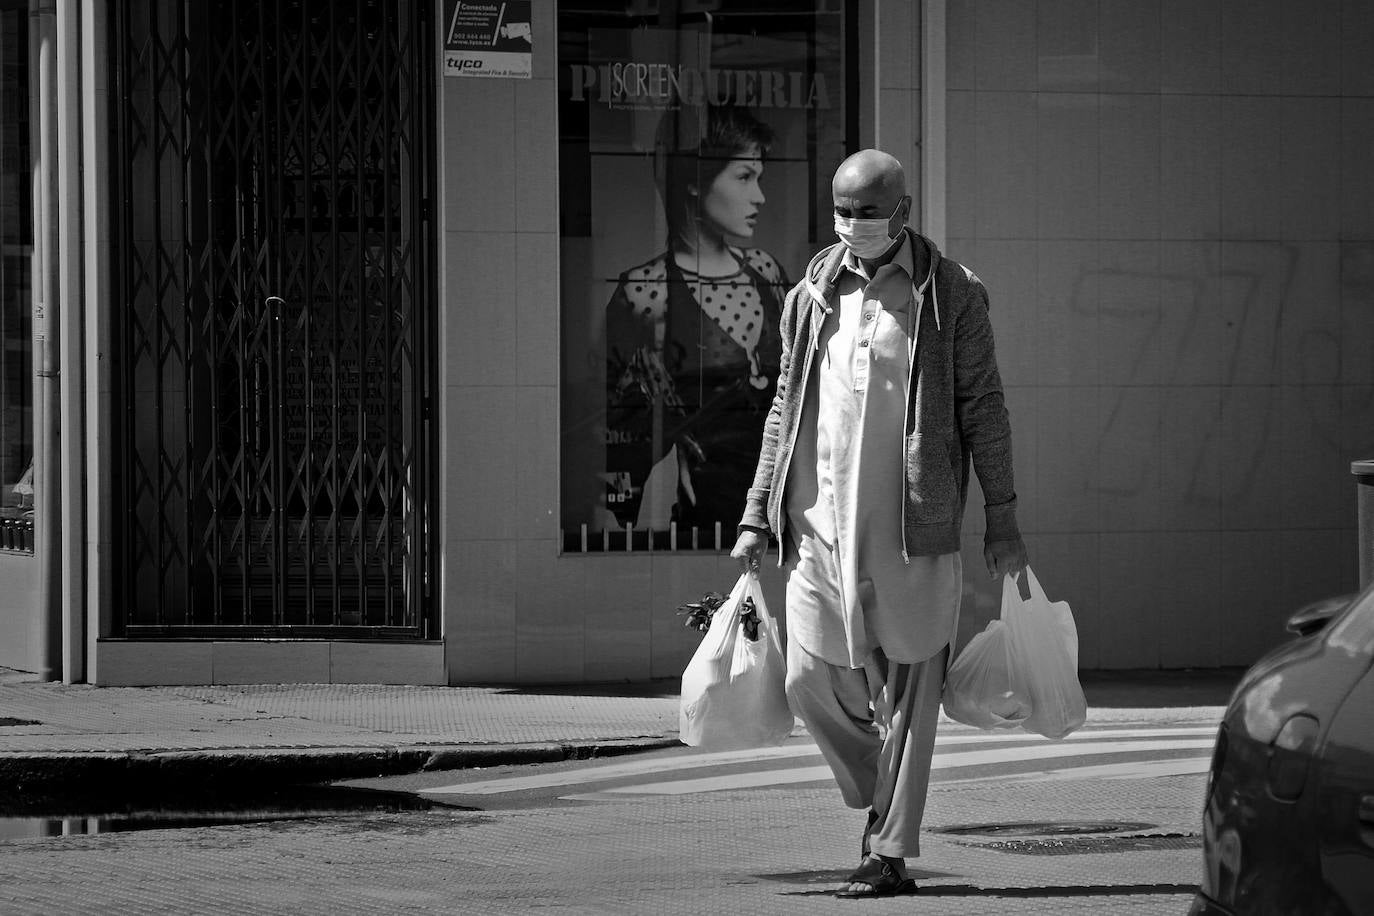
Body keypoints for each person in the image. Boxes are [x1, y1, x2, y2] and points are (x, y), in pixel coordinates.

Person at [730, 149, 1028, 898]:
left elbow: (984, 409)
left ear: (901, 211)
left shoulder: (952, 294)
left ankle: (889, 851)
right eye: (841, 208)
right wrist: (756, 515)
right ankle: (882, 791)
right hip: (819, 524)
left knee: (910, 691)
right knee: (807, 676)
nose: (851, 224)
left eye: (866, 211)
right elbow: (784, 409)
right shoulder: (812, 293)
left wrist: (1003, 517)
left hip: (911, 531)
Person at [602, 105, 789, 538]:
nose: (759, 196)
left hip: (784, 515)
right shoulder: (648, 291)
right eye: (744, 177)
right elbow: (622, 433)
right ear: (693, 181)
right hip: (708, 524)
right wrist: (617, 528)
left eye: (758, 177)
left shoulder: (765, 272)